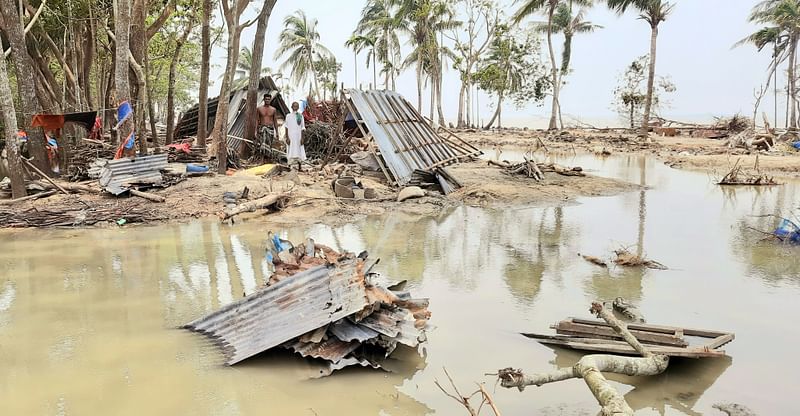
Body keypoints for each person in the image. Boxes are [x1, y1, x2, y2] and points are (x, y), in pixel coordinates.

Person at [284, 101, 306, 169]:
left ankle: (300, 166)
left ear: (298, 107)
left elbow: (302, 127)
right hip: (291, 136)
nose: (295, 107)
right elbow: (286, 127)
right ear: (291, 107)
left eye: (297, 106)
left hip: (298, 137)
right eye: (294, 106)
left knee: (299, 150)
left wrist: (302, 138)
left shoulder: (300, 116)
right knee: (290, 150)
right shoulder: (288, 116)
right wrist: (287, 137)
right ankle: (289, 166)